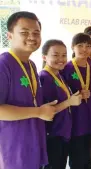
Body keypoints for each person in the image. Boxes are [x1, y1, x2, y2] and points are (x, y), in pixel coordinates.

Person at [0, 11, 58, 169]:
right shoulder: (3, 64)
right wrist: (38, 112)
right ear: (10, 36)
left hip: (33, 141)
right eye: (24, 32)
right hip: (13, 149)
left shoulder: (31, 65)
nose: (32, 37)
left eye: (36, 32)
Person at [61, 33, 91, 169]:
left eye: (88, 46)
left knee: (87, 158)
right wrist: (77, 95)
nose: (84, 49)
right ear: (72, 47)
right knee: (76, 160)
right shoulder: (66, 69)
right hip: (75, 122)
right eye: (80, 45)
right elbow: (61, 97)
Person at [40, 39, 82, 169]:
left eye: (64, 55)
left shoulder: (58, 75)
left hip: (62, 132)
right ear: (44, 57)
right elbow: (46, 111)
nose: (61, 59)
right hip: (52, 134)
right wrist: (70, 102)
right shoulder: (44, 77)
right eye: (55, 55)